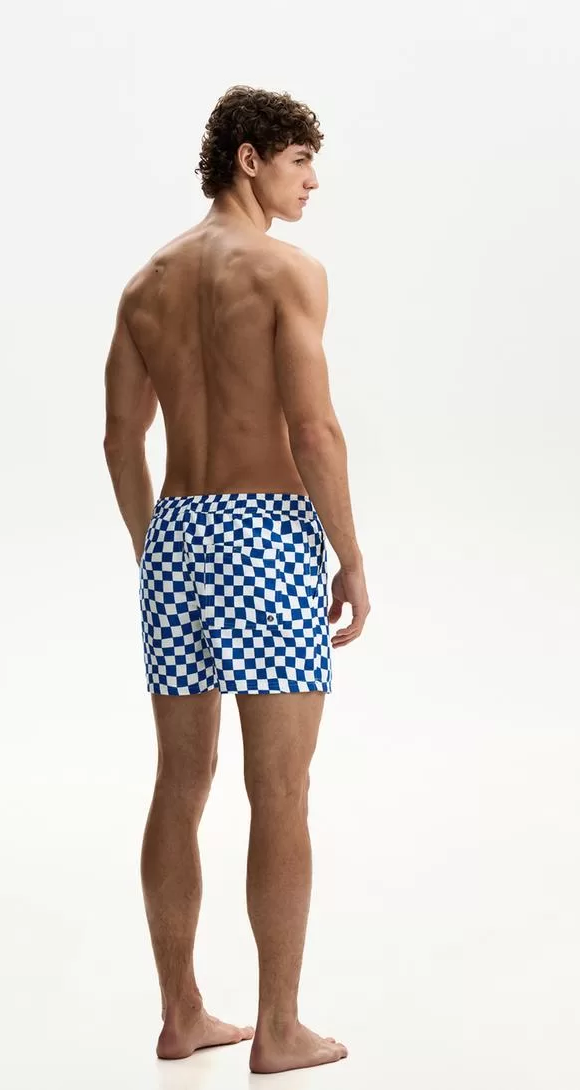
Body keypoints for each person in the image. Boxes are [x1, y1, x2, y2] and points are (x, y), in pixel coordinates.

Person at [102, 84, 369, 1075]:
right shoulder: (285, 271)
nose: (313, 181)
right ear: (249, 158)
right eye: (300, 160)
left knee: (180, 781)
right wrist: (349, 553)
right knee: (279, 787)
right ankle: (279, 1027)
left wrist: (154, 547)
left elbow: (119, 437)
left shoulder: (146, 283)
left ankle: (181, 1015)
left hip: (177, 533)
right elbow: (314, 429)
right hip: (265, 535)